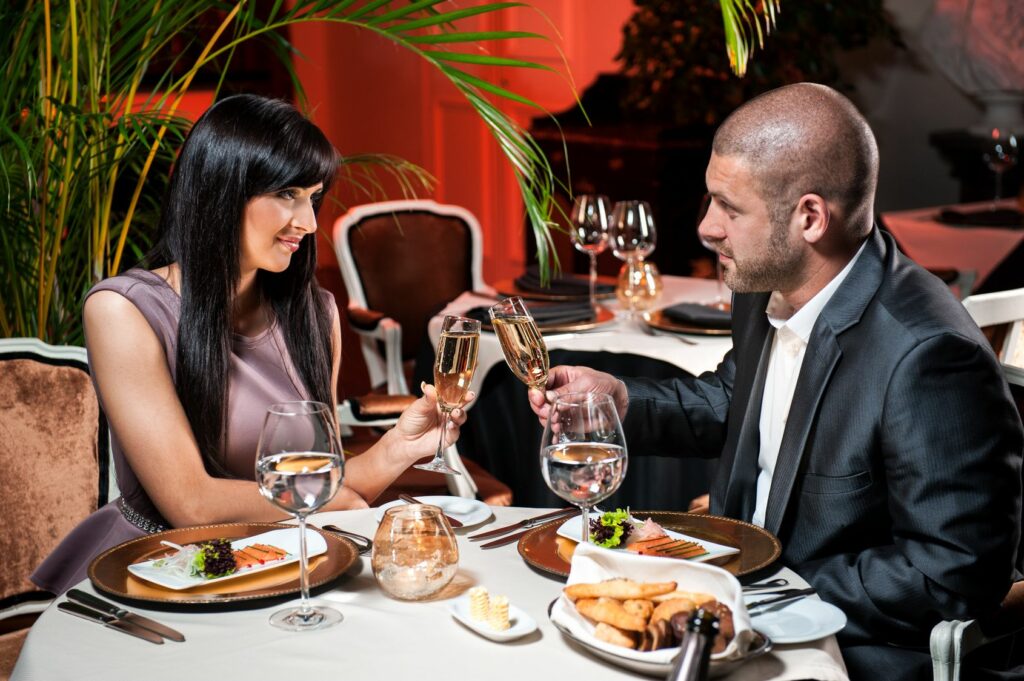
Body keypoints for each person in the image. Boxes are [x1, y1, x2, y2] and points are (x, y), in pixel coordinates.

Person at [530, 83, 1024, 679]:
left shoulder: (928, 355)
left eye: (729, 208)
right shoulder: (772, 286)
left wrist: (759, 585)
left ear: (810, 217)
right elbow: (734, 402)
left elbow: (949, 576)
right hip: (735, 609)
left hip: (845, 649)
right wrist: (621, 397)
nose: (706, 228)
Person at [32, 95, 469, 595]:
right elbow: (190, 504)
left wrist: (398, 448)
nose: (307, 222)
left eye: (313, 197)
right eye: (287, 194)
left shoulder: (314, 314)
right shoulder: (124, 310)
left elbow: (320, 488)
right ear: (220, 192)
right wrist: (331, 504)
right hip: (163, 574)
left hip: (281, 566)